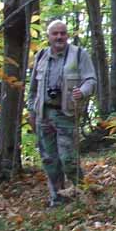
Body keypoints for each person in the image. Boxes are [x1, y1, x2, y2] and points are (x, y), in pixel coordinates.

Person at [28, 20, 97, 206]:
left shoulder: (79, 54)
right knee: (49, 159)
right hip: (44, 114)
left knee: (68, 159)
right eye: (55, 33)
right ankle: (57, 197)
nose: (59, 37)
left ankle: (82, 193)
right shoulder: (41, 56)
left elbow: (91, 80)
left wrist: (82, 91)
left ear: (67, 35)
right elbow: (32, 88)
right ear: (48, 36)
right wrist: (31, 111)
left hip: (66, 114)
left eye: (63, 33)